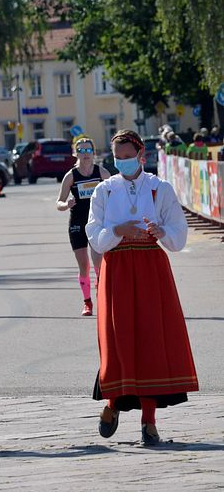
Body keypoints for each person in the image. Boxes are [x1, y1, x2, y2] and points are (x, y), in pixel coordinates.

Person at [86, 129, 198, 446]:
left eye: (127, 157)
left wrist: (161, 230)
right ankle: (112, 404)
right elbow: (93, 232)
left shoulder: (159, 188)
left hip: (151, 268)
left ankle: (149, 421)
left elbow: (178, 231)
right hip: (117, 269)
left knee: (151, 341)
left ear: (141, 156)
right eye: (116, 158)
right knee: (119, 340)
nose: (121, 163)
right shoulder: (105, 191)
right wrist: (115, 230)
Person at [56, 137, 111, 316]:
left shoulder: (102, 174)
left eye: (89, 150)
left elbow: (116, 196)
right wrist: (67, 205)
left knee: (99, 264)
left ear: (93, 153)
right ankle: (87, 303)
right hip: (78, 223)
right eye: (81, 150)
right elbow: (59, 202)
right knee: (84, 266)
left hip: (96, 223)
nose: (85, 154)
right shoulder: (71, 176)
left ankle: (102, 297)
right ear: (75, 153)